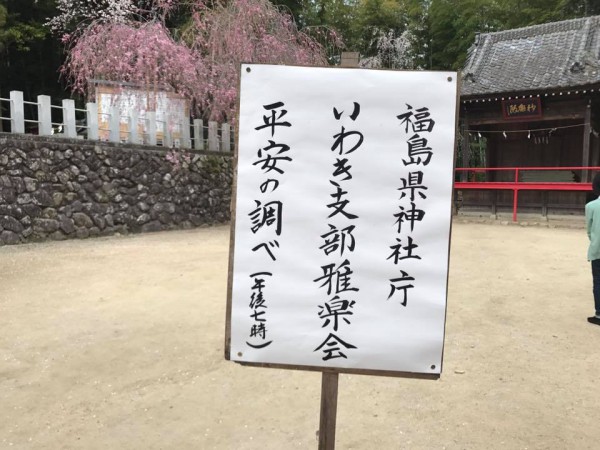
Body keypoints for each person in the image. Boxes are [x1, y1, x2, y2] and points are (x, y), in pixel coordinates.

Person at [585, 172, 600, 325]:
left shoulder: (591, 206)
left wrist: (595, 241)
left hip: (598, 249)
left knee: (598, 281)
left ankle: (599, 314)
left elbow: (589, 231)